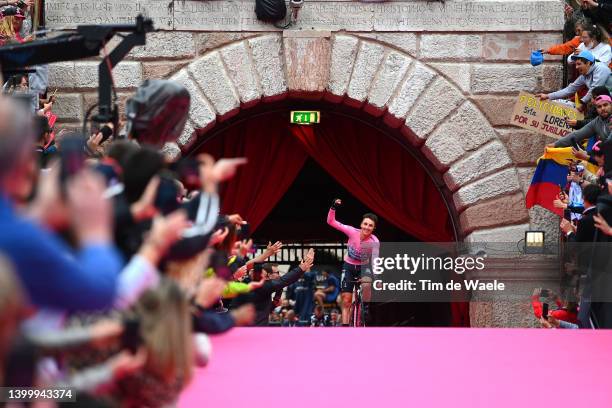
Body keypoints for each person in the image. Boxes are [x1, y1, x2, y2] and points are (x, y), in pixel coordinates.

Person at [0, 96, 123, 311]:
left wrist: (38, 215)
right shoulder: (19, 237)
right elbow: (97, 291)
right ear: (23, 159)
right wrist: (95, 230)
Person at [327, 199, 379, 326]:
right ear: (361, 224)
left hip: (364, 266)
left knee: (367, 283)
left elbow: (375, 261)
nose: (367, 227)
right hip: (348, 266)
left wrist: (376, 278)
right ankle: (345, 327)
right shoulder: (351, 232)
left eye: (370, 225)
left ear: (373, 228)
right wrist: (333, 207)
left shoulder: (374, 242)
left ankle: (365, 308)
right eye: (365, 224)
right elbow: (331, 222)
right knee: (346, 300)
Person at [248, 249, 315, 326]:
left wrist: (275, 303)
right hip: (252, 328)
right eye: (277, 272)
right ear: (268, 275)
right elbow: (284, 281)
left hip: (257, 327)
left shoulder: (261, 286)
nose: (279, 275)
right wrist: (302, 268)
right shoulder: (262, 285)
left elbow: (264, 309)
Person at [537, 50, 612, 109]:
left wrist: (582, 103)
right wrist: (547, 96)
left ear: (588, 63)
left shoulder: (601, 68)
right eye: (576, 64)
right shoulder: (584, 75)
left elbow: (594, 88)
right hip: (603, 103)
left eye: (579, 64)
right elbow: (569, 89)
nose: (576, 67)